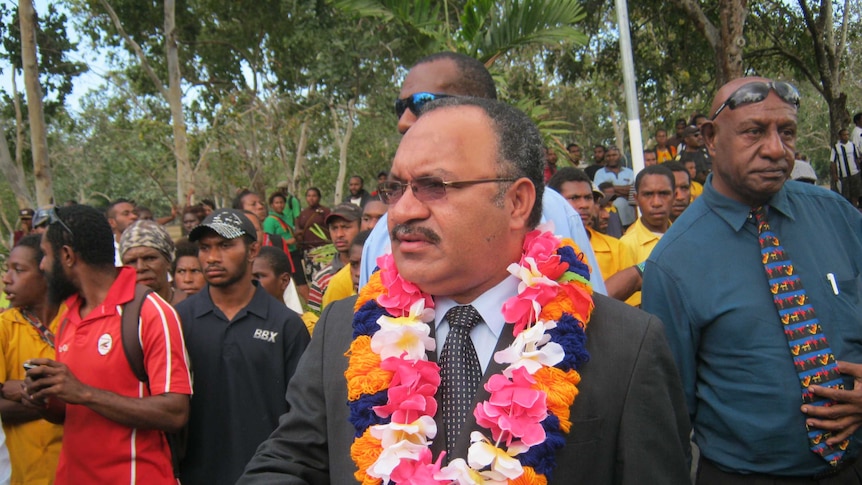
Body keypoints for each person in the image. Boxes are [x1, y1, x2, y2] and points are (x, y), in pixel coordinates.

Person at [238, 96, 689, 484]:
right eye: (396, 188)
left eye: (434, 186)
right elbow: (289, 462)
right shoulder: (342, 331)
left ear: (516, 202)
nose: (402, 211)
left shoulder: (627, 347)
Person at [643, 77, 862, 481]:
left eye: (787, 132)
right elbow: (669, 417)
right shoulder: (673, 263)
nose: (776, 149)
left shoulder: (838, 217)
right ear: (710, 137)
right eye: (754, 132)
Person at [360, 51, 606, 294]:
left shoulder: (558, 212)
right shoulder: (382, 236)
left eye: (422, 102)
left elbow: (587, 311)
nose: (403, 121)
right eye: (400, 107)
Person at [23, 205, 191, 484]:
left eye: (45, 255)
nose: (42, 265)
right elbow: (71, 412)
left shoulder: (150, 312)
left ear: (67, 255)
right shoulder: (68, 317)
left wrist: (84, 393)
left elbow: (175, 412)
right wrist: (43, 399)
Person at [176, 209, 310, 485]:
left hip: (268, 476)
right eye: (205, 248)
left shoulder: (286, 325)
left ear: (252, 251)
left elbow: (303, 415)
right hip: (195, 475)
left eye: (225, 245)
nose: (212, 257)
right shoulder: (179, 319)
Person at [0, 235, 64, 484]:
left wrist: (25, 391)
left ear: (46, 274)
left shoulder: (78, 320)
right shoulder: (5, 327)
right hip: (27, 475)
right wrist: (63, 400)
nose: (7, 279)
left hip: (79, 472)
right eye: (7, 270)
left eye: (18, 270)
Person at [548, 168, 634, 282]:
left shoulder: (616, 247)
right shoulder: (543, 250)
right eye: (574, 198)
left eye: (588, 198)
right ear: (555, 201)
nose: (584, 205)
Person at [620, 165, 674, 307]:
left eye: (664, 193)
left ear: (674, 196)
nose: (656, 202)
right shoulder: (626, 244)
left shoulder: (684, 235)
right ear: (636, 198)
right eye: (648, 194)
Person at [307, 204, 361, 314]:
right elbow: (314, 320)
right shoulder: (322, 278)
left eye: (345, 227)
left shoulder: (376, 268)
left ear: (361, 227)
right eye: (334, 228)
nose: (339, 234)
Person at [119, 220, 186, 306]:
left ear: (168, 261)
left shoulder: (192, 308)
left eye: (149, 258)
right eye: (132, 261)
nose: (140, 268)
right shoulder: (119, 312)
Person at [263, 191, 308, 302]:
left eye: (282, 202)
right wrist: (287, 242)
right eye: (277, 203)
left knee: (301, 281)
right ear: (272, 205)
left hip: (293, 253)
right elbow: (268, 239)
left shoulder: (285, 217)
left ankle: (312, 306)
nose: (279, 205)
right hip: (282, 255)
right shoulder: (270, 220)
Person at [295, 187, 331, 281]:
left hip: (323, 250)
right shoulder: (303, 213)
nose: (311, 198)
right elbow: (298, 227)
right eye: (309, 196)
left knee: (324, 277)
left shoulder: (325, 211)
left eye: (314, 196)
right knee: (312, 279)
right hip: (308, 251)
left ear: (319, 197)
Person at [830, 128, 861, 207]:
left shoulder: (852, 145)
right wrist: (834, 174)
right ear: (840, 136)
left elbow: (857, 158)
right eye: (844, 135)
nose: (846, 136)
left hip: (854, 173)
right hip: (843, 175)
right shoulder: (836, 147)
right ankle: (848, 208)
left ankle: (854, 208)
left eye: (847, 135)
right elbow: (833, 162)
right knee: (845, 194)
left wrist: (859, 169)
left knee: (855, 193)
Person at [106, 199, 139, 265]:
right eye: (126, 214)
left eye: (135, 213)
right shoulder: (106, 252)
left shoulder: (152, 245)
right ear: (112, 222)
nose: (134, 216)